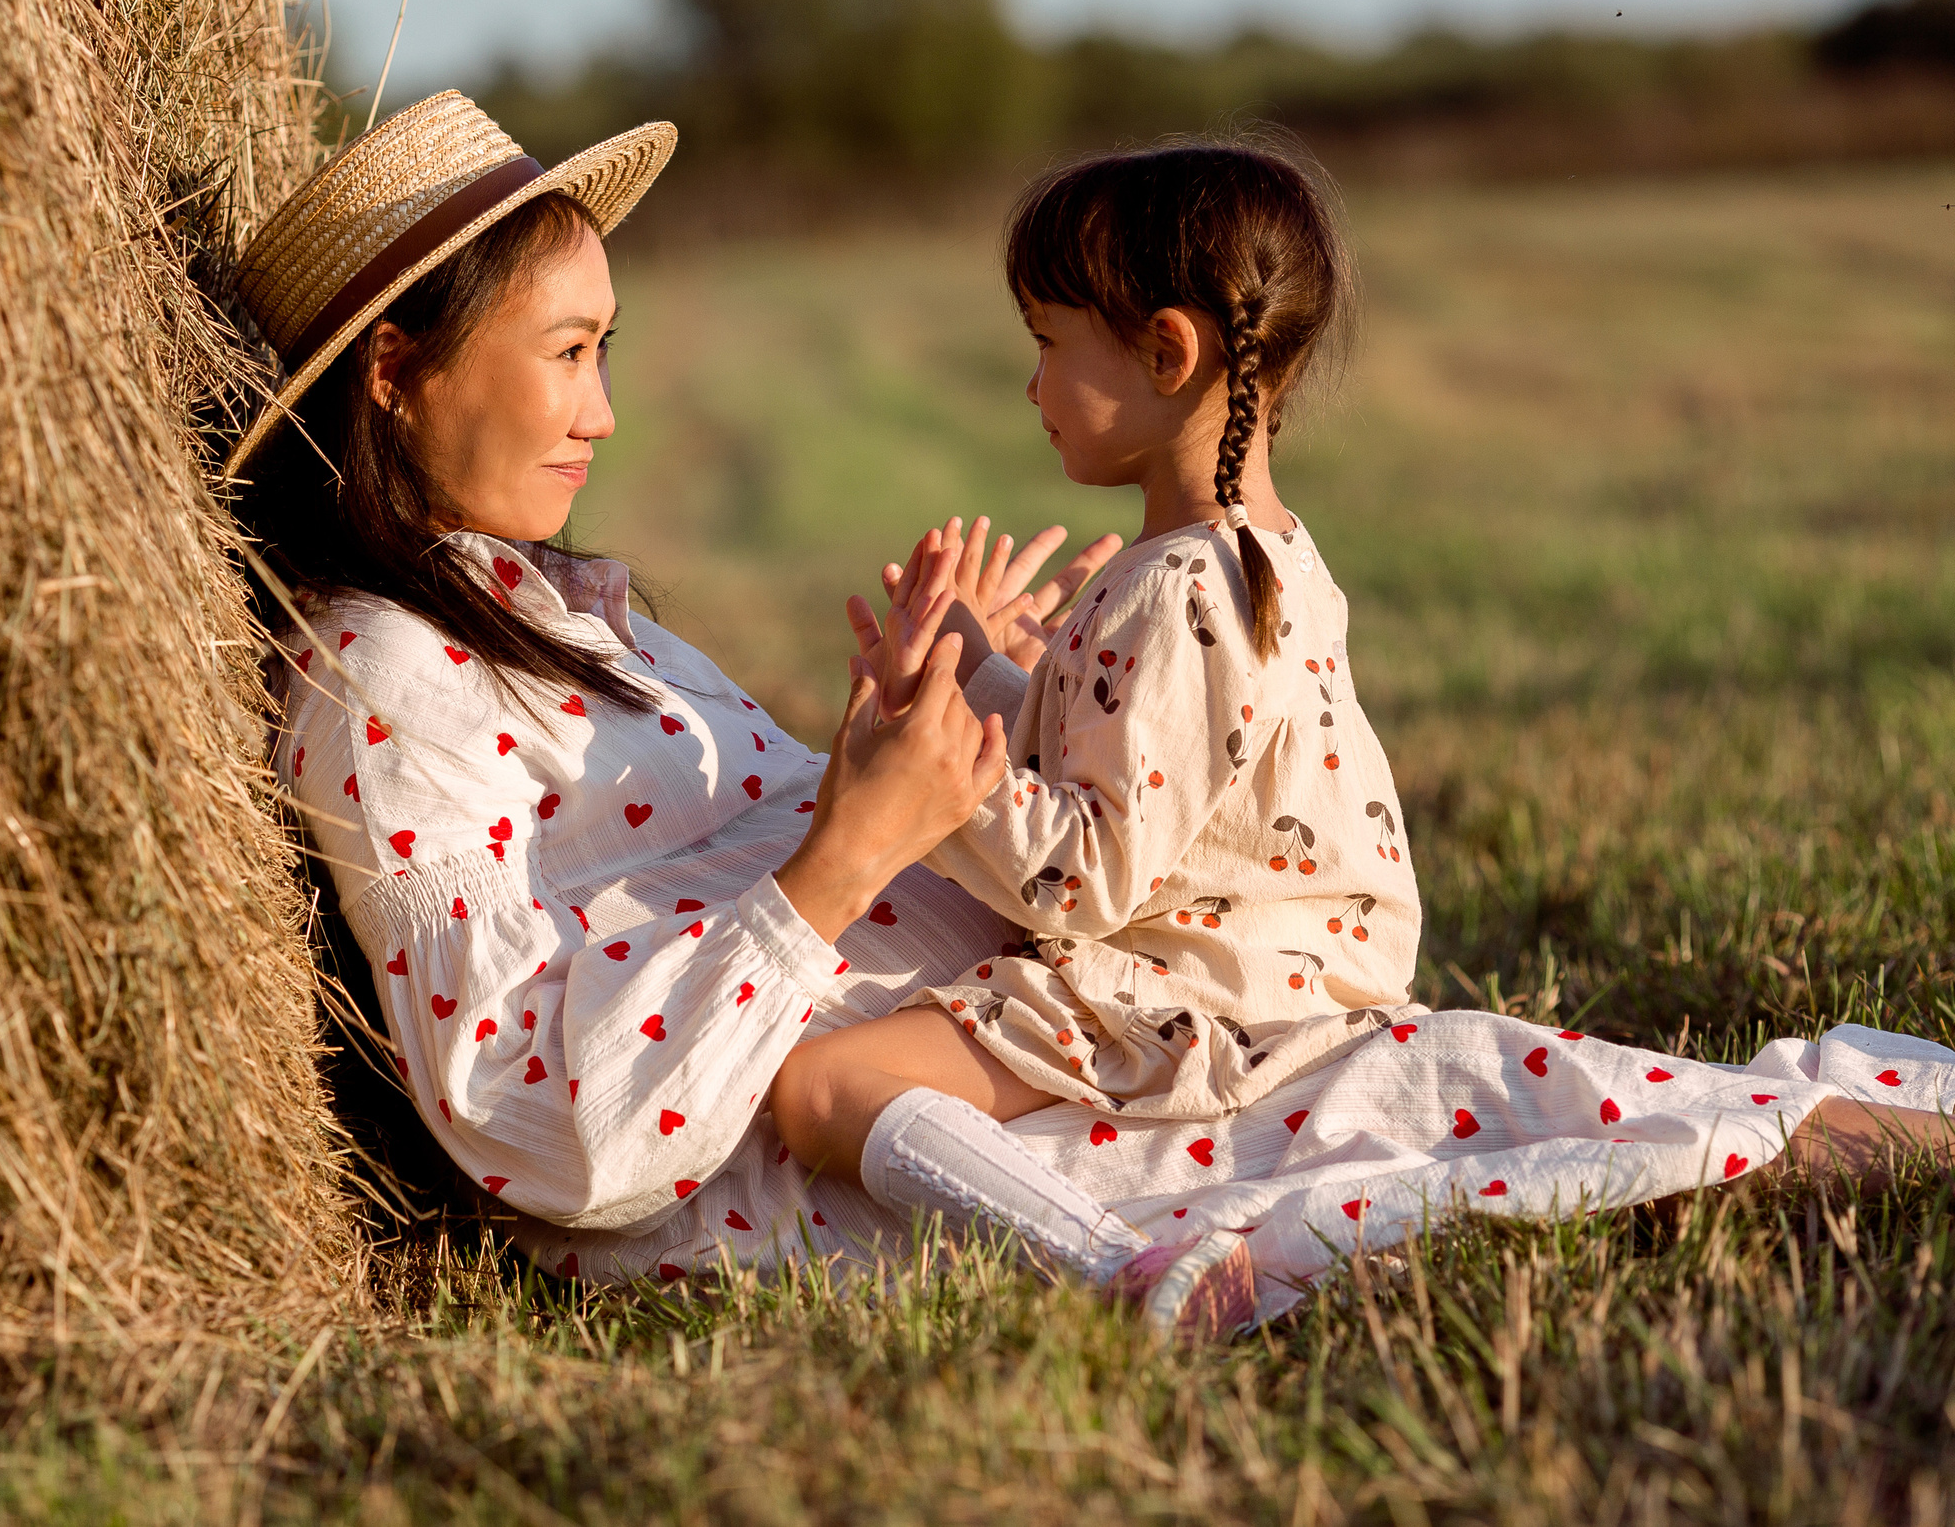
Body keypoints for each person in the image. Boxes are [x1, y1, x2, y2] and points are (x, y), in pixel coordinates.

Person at [232, 95, 1954, 1330]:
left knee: (1455, 1079)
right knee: (1428, 1111)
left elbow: (829, 826)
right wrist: (852, 848)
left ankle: (1861, 1129)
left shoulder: (564, 620)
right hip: (906, 1129)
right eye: (570, 352)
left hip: (1021, 1024)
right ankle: (1812, 1138)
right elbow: (554, 1131)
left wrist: (929, 716)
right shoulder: (383, 682)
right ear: (399, 368)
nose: (608, 411)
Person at [766, 143, 1955, 1326]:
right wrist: (980, 669)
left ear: (1167, 351)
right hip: (1259, 983)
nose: (1030, 387)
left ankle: (1119, 1272)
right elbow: (1139, 760)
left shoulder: (1175, 590)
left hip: (1181, 1001)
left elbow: (1088, 875)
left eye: (1047, 342)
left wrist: (935, 773)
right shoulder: (1256, 561)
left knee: (827, 1082)